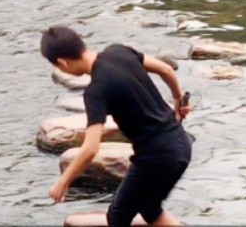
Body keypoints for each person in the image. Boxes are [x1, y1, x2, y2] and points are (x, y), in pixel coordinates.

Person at [39, 26, 192, 227]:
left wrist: (63, 181)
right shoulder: (119, 51)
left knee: (118, 217)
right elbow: (166, 69)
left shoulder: (96, 91)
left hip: (156, 156)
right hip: (181, 144)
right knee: (149, 209)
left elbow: (91, 148)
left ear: (62, 62)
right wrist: (178, 99)